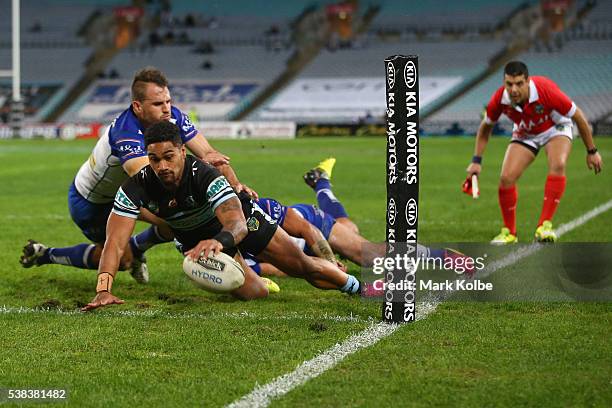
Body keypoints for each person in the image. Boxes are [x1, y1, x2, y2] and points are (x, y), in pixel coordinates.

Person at [81, 122, 377, 311]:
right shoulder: (135, 186)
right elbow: (114, 243)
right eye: (154, 159)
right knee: (255, 294)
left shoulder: (205, 174)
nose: (161, 166)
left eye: (169, 157)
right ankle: (257, 277)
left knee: (302, 267)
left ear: (183, 152)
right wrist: (103, 290)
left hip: (241, 224)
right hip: (195, 240)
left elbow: (236, 224)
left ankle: (359, 288)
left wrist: (219, 241)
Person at [20, 67, 256, 284]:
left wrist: (232, 186)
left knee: (180, 221)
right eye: (157, 104)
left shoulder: (171, 116)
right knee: (126, 257)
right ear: (137, 107)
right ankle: (46, 254)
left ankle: (139, 248)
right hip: (92, 202)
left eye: (168, 101)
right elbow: (149, 182)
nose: (166, 109)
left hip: (125, 192)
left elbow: (209, 155)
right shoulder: (125, 134)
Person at [247, 158, 473, 277]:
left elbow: (301, 241)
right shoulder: (228, 250)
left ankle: (442, 256)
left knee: (368, 255)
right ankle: (320, 181)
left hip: (308, 224)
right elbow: (273, 268)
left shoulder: (246, 216)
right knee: (349, 228)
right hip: (299, 235)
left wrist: (327, 264)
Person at [466, 61, 603, 244]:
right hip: (526, 133)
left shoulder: (546, 91)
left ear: (527, 81)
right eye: (509, 84)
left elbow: (578, 116)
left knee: (558, 164)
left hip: (555, 127)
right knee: (506, 177)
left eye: (519, 84)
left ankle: (544, 226)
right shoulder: (500, 99)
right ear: (504, 83)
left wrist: (592, 151)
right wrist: (476, 160)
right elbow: (485, 128)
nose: (514, 89)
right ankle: (509, 233)